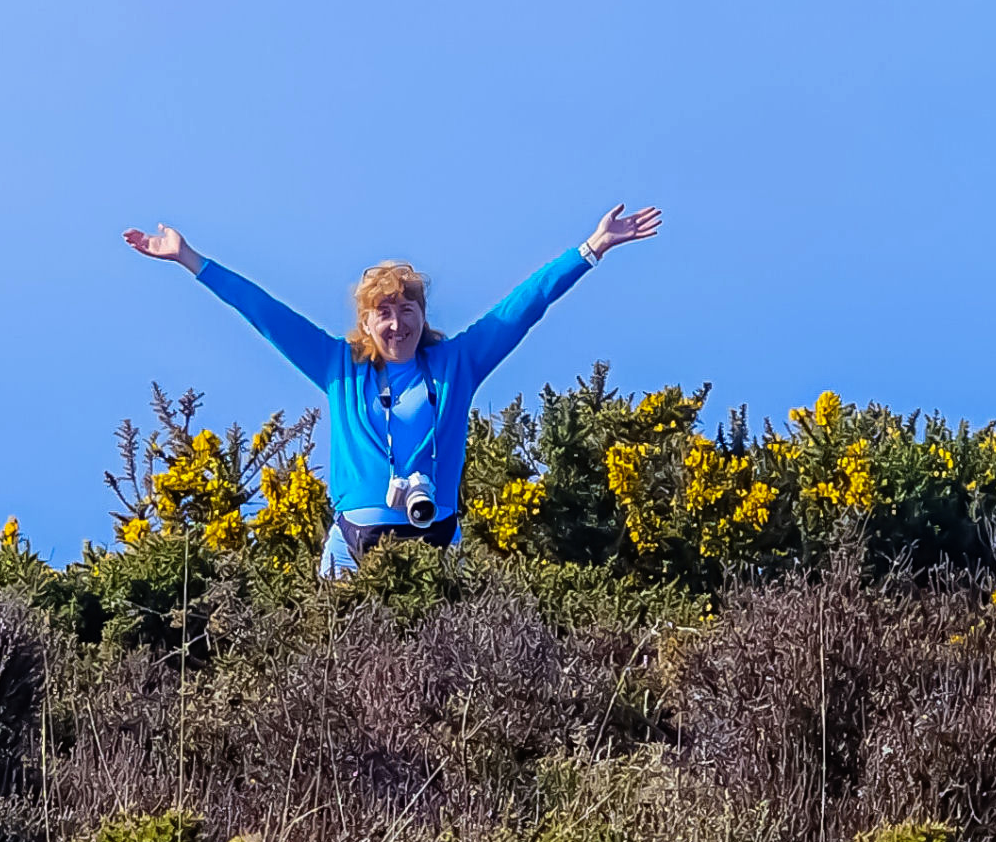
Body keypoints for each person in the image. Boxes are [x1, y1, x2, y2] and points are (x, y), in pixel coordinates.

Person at [123, 205, 662, 576]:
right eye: (383, 312)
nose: (397, 323)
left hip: (438, 537)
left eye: (407, 309)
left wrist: (591, 248)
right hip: (352, 543)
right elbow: (264, 312)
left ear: (423, 316)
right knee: (341, 666)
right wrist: (190, 260)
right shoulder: (338, 366)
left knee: (445, 666)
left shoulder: (456, 365)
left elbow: (523, 306)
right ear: (366, 322)